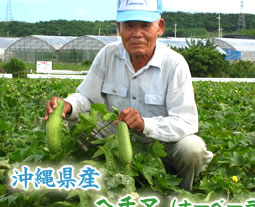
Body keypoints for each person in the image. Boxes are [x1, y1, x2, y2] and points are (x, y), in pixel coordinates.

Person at [45, 0, 213, 191]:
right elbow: (86, 97)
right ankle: (99, 180)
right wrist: (68, 105)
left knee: (192, 148)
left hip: (159, 145)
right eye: (129, 25)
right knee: (77, 120)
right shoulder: (107, 55)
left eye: (145, 25)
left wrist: (144, 124)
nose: (137, 34)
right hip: (114, 140)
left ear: (160, 27)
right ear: (119, 28)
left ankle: (180, 192)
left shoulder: (174, 64)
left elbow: (186, 121)